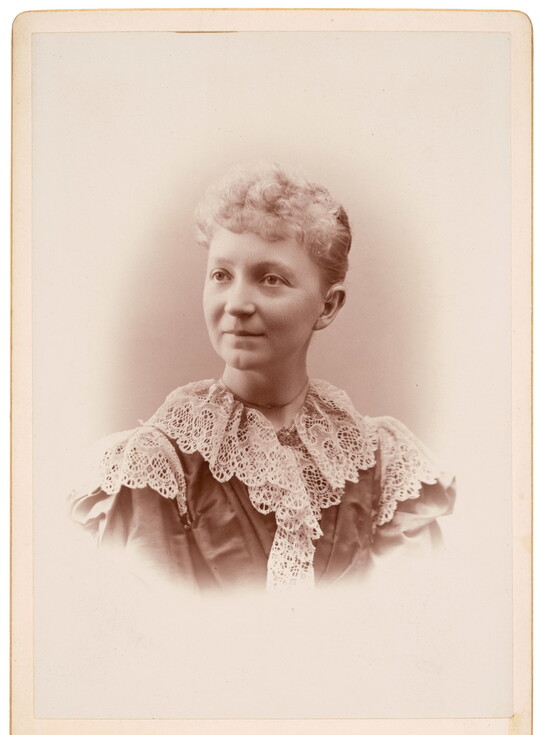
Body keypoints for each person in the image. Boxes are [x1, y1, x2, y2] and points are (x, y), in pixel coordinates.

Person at [71, 163, 455, 591]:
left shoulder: (382, 463)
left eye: (270, 279)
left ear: (327, 307)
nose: (236, 303)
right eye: (221, 275)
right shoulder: (160, 464)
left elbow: (411, 625)